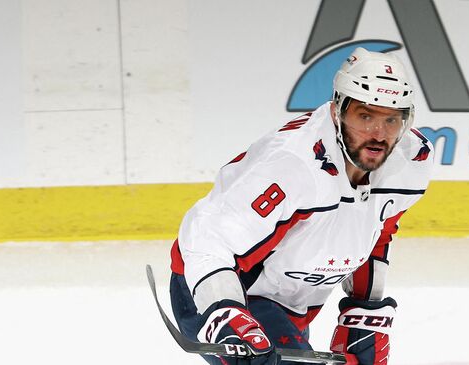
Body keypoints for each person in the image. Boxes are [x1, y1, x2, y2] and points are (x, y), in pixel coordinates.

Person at [169, 47, 434, 365]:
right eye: (365, 116)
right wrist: (225, 314)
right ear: (337, 110)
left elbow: (378, 232)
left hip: (292, 303)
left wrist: (365, 311)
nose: (378, 134)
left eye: (391, 120)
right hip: (216, 287)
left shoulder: (411, 159)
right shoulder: (293, 163)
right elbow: (208, 239)